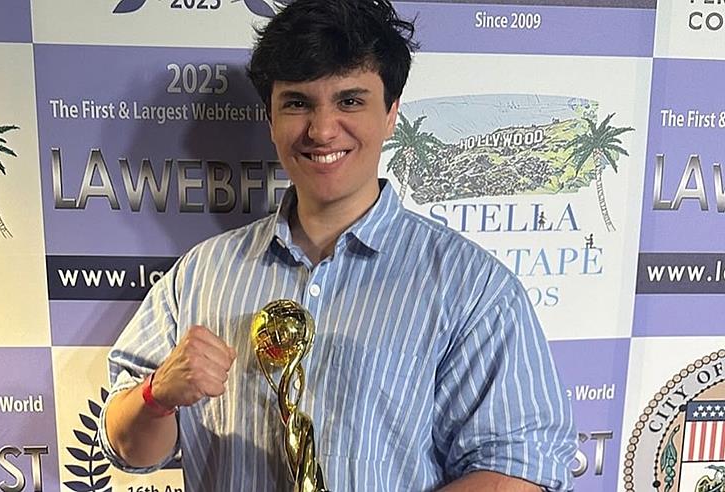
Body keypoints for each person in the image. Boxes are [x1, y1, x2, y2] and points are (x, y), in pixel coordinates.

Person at [100, 0, 577, 490]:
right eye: (297, 103)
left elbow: (518, 468)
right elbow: (127, 449)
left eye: (350, 101)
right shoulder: (202, 274)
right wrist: (157, 396)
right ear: (270, 119)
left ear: (391, 114)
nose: (323, 130)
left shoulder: (470, 286)